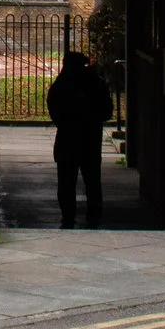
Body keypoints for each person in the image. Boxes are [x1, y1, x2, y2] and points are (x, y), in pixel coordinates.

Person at [45, 49, 114, 230]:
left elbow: (54, 109)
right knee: (92, 181)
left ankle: (68, 217)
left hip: (68, 139)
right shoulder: (96, 84)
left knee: (67, 182)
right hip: (90, 139)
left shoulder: (62, 84)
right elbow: (107, 111)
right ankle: (93, 217)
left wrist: (67, 122)